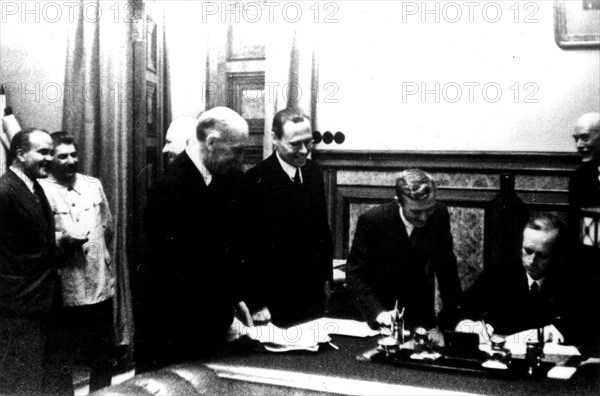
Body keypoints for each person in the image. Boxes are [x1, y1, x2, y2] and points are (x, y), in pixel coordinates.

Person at [139, 107, 250, 371]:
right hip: (173, 321)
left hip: (211, 318)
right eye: (236, 149)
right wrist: (223, 311)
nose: (240, 158)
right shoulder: (168, 189)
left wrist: (237, 297)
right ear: (211, 143)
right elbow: (179, 268)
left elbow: (232, 246)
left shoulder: (231, 179)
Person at [242, 107, 333, 327]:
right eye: (295, 144)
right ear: (275, 139)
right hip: (273, 300)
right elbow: (247, 250)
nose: (304, 151)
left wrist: (327, 280)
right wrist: (256, 304)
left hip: (312, 295)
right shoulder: (254, 181)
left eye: (308, 142)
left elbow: (322, 230)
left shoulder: (314, 173)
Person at [39, 131, 115, 392]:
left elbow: (108, 226)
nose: (71, 161)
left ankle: (103, 393)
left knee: (103, 352)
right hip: (65, 286)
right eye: (63, 156)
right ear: (51, 159)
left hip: (99, 283)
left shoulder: (93, 185)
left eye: (74, 154)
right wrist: (62, 240)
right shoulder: (42, 191)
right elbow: (38, 238)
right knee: (62, 356)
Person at [454, 213, 595, 347]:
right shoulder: (499, 275)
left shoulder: (572, 281)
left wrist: (552, 331)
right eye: (528, 251)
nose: (532, 260)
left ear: (557, 254)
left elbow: (586, 326)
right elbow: (451, 312)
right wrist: (466, 324)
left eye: (541, 255)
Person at [0, 128, 71, 395]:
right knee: (22, 381)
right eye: (42, 152)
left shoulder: (35, 187)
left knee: (51, 379)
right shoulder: (4, 192)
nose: (50, 158)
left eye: (51, 152)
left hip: (46, 301)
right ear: (19, 154)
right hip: (20, 307)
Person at [346, 169, 462, 330]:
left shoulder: (439, 214)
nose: (423, 218)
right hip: (380, 314)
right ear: (398, 202)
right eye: (415, 211)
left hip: (420, 313)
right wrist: (379, 314)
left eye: (429, 209)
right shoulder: (373, 221)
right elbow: (355, 274)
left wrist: (459, 319)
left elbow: (447, 271)